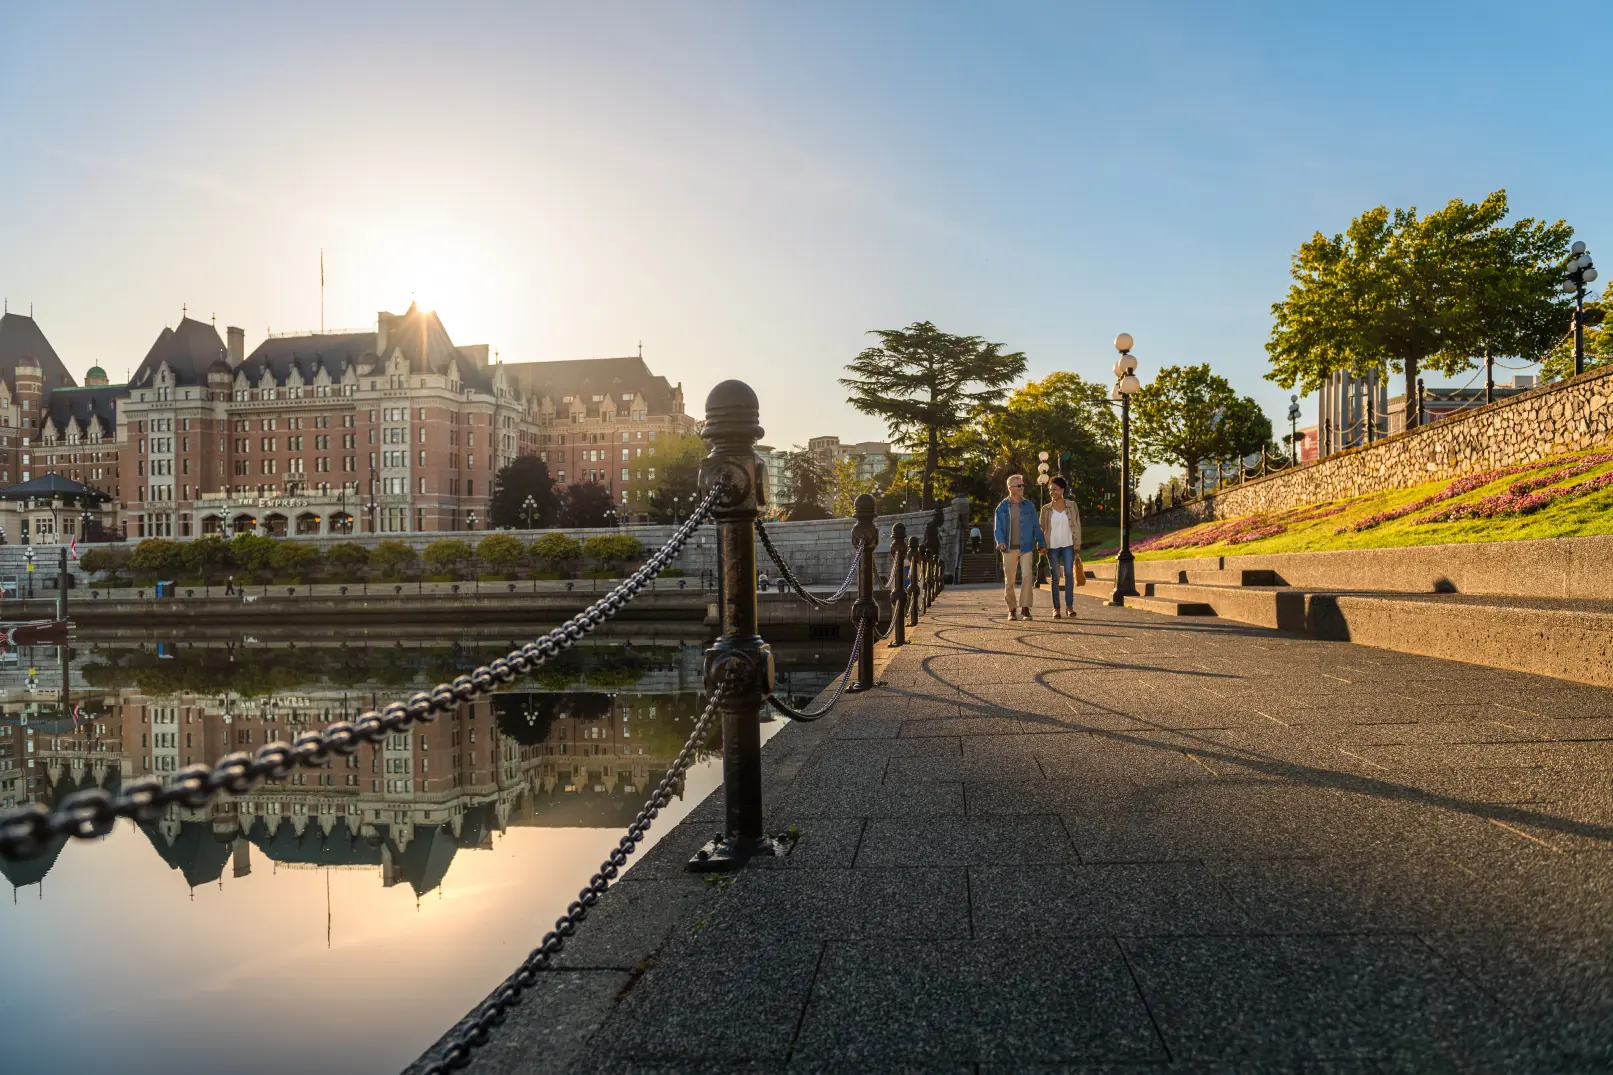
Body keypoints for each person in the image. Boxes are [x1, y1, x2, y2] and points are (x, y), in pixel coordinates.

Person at [993, 474, 1043, 620]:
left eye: (1023, 485)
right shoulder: (1002, 507)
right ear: (1010, 488)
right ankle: (1012, 609)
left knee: (1027, 576)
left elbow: (1036, 526)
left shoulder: (1029, 505)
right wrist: (1000, 541)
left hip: (1026, 547)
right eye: (1019, 486)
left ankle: (1026, 608)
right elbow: (998, 528)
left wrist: (1041, 543)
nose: (1022, 488)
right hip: (1008, 548)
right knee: (1010, 581)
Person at [1039, 475, 1083, 619]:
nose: (1052, 492)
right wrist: (1041, 545)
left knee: (1069, 575)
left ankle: (1069, 607)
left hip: (1068, 545)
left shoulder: (1072, 505)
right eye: (1051, 490)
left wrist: (1077, 544)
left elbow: (1077, 525)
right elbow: (1041, 529)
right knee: (1055, 576)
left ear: (1062, 490)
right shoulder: (1046, 509)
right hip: (1052, 546)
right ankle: (1056, 608)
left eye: (1055, 489)